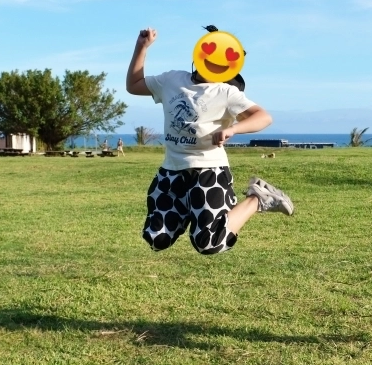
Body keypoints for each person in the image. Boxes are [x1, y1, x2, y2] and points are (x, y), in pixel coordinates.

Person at [125, 26, 294, 255]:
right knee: (157, 239)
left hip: (209, 171)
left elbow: (263, 117)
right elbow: (134, 86)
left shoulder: (226, 93)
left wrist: (234, 129)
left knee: (209, 243)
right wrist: (141, 48)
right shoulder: (172, 80)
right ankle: (188, 208)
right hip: (171, 172)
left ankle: (258, 198)